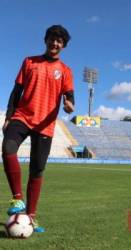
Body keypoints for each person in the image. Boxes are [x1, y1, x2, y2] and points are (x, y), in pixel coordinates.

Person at [2, 25, 75, 233]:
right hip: (23, 116)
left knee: (37, 169)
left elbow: (70, 98)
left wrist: (69, 104)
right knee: (8, 147)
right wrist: (9, 116)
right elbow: (16, 91)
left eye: (59, 41)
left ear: (63, 45)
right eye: (52, 39)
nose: (55, 43)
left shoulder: (66, 71)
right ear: (46, 40)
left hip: (46, 125)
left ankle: (31, 217)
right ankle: (17, 200)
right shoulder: (29, 61)